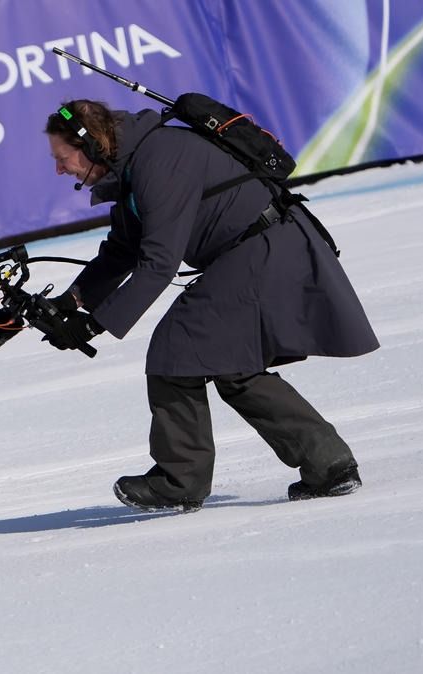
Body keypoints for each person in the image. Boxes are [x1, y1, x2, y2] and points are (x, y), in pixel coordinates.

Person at [37, 99, 379, 513]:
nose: (59, 170)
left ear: (92, 145)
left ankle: (179, 481)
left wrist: (93, 326)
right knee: (232, 365)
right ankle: (329, 465)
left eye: (62, 158)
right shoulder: (133, 164)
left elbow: (159, 262)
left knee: (176, 348)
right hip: (256, 249)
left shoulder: (159, 159)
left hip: (263, 248)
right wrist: (72, 300)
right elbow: (123, 249)